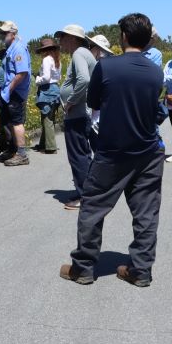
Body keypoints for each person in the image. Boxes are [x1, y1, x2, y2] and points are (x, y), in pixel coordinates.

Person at [60, 13, 165, 287]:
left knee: (93, 207)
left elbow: (93, 101)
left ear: (124, 37)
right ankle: (141, 270)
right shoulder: (156, 72)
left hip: (112, 151)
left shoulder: (107, 67)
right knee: (145, 212)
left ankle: (83, 267)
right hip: (148, 151)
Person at [56, 24, 98, 210]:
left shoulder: (78, 53)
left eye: (63, 37)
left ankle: (84, 196)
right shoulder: (85, 53)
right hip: (82, 113)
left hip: (77, 114)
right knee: (83, 154)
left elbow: (84, 79)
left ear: (73, 38)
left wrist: (71, 101)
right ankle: (87, 191)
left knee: (78, 156)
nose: (60, 41)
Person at [0, 20, 31, 166]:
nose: (3, 35)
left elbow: (21, 73)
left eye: (5, 32)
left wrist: (9, 89)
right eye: (2, 33)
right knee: (9, 122)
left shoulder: (18, 49)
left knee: (17, 122)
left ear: (13, 33)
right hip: (9, 92)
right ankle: (13, 150)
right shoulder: (11, 48)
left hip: (15, 92)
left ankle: (22, 154)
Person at [86, 33, 114, 153]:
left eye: (91, 46)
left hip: (98, 117)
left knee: (98, 152)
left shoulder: (99, 66)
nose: (89, 49)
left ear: (98, 49)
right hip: (112, 116)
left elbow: (93, 97)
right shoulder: (113, 64)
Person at [33, 37, 61, 154]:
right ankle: (44, 144)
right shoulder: (57, 60)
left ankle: (50, 147)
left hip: (47, 90)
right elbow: (57, 77)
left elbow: (46, 78)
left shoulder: (46, 60)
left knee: (47, 119)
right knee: (49, 118)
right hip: (55, 89)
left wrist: (37, 79)